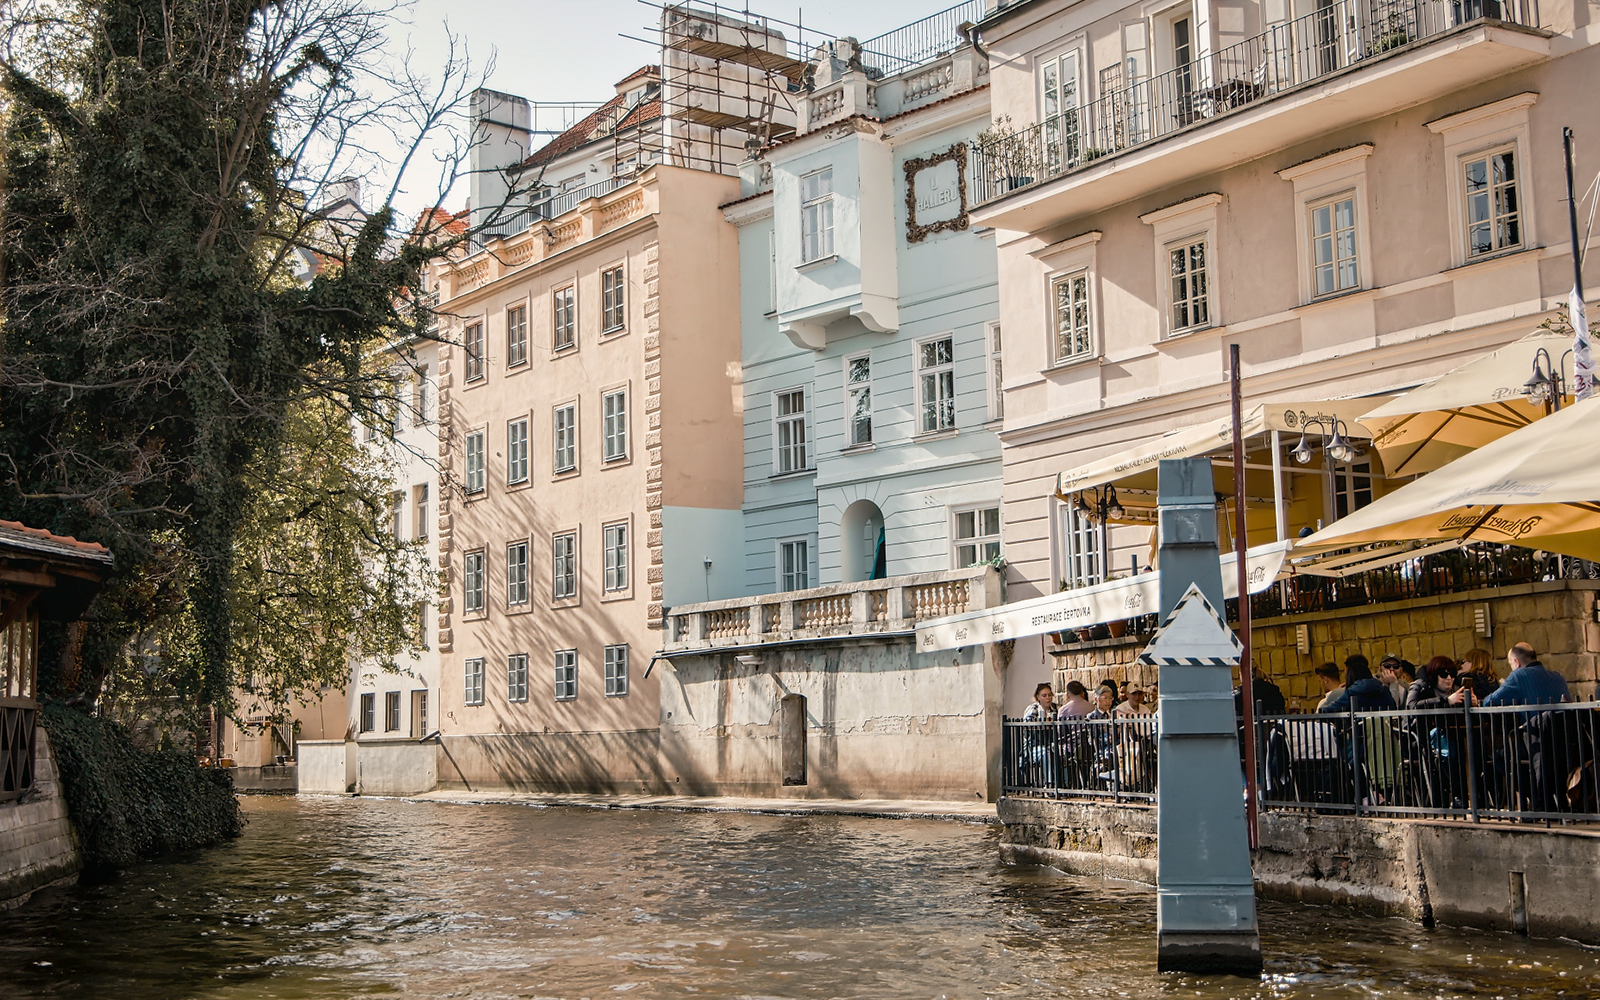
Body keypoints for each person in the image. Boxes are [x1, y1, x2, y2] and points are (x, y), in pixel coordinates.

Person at [1482, 643, 1570, 707]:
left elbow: (1490, 702)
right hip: (1563, 730)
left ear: (1516, 662)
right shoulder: (1558, 677)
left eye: (1510, 664)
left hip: (1535, 730)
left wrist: (1480, 702)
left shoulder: (1519, 675)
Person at [1319, 657, 1397, 714]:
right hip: (1384, 734)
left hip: (1359, 734)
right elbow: (1394, 710)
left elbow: (1328, 711)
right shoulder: (1384, 691)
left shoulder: (1352, 692)